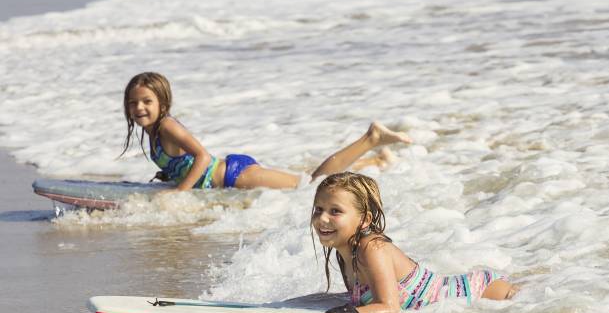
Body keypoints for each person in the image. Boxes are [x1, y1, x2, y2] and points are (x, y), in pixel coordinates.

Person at [303, 172, 518, 313]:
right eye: (319, 209)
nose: (322, 218)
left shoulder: (371, 248)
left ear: (364, 220)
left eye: (335, 211)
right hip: (456, 302)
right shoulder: (344, 251)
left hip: (480, 293)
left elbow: (389, 309)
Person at [122, 72, 411, 191]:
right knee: (305, 179)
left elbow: (201, 156)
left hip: (237, 175)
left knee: (310, 185)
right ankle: (375, 161)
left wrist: (179, 193)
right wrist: (169, 175)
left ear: (163, 103)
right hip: (232, 175)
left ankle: (371, 138)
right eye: (133, 102)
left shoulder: (168, 126)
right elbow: (182, 161)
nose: (139, 108)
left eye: (147, 101)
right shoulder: (152, 131)